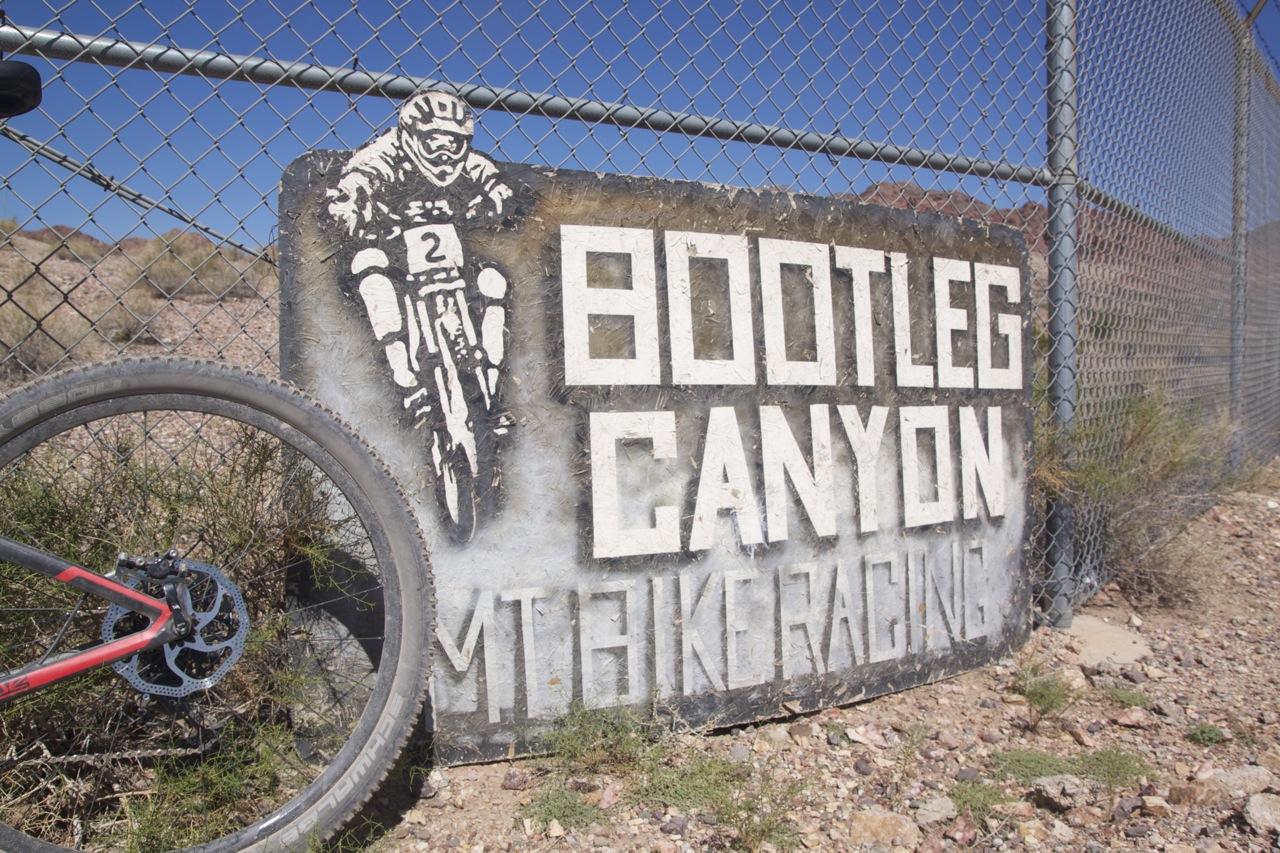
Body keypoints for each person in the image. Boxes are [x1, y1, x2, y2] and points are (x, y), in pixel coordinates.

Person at [326, 91, 514, 537]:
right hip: (398, 253)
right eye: (434, 140)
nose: (446, 150)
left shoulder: (465, 160)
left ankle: (490, 383)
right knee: (368, 266)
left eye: (455, 140)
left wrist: (498, 194)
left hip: (449, 261)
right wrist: (351, 202)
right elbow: (358, 176)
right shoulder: (386, 153)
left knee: (493, 283)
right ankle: (406, 378)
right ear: (411, 135)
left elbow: (488, 176)